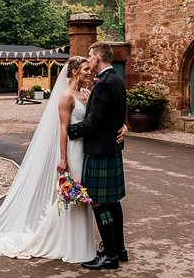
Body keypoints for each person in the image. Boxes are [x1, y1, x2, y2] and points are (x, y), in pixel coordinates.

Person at [0, 56, 98, 263]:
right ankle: (68, 243)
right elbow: (63, 130)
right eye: (85, 69)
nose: (89, 72)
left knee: (84, 193)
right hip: (73, 151)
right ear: (75, 71)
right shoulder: (66, 97)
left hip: (87, 150)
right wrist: (63, 158)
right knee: (73, 193)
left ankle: (83, 243)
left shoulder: (87, 93)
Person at [68, 41, 128, 270]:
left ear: (98, 58)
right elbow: (118, 112)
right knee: (112, 202)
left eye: (90, 56)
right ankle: (119, 249)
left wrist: (70, 131)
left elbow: (93, 122)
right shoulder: (117, 80)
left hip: (99, 150)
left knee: (98, 203)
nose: (89, 60)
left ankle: (110, 256)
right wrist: (123, 126)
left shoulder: (103, 84)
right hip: (110, 149)